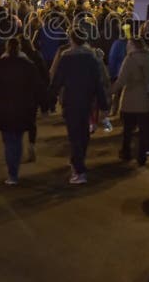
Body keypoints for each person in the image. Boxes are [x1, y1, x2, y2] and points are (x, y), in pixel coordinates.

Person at [0, 38, 46, 185]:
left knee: (9, 140)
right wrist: (44, 104)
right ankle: (13, 171)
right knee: (17, 138)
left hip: (4, 107)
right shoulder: (28, 66)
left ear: (7, 48)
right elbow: (38, 86)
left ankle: (12, 172)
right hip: (23, 107)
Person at [49, 27, 109, 184]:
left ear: (72, 40)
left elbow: (58, 80)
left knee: (74, 135)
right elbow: (98, 83)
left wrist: (50, 98)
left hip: (71, 100)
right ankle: (78, 161)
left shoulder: (66, 58)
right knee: (83, 134)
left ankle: (79, 169)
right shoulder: (91, 58)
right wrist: (103, 105)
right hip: (87, 101)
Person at [111, 36, 149, 166]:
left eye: (129, 44)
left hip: (130, 98)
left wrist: (109, 91)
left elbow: (121, 80)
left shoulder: (130, 59)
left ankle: (126, 152)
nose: (127, 47)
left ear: (133, 46)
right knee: (143, 130)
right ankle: (142, 156)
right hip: (145, 98)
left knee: (128, 129)